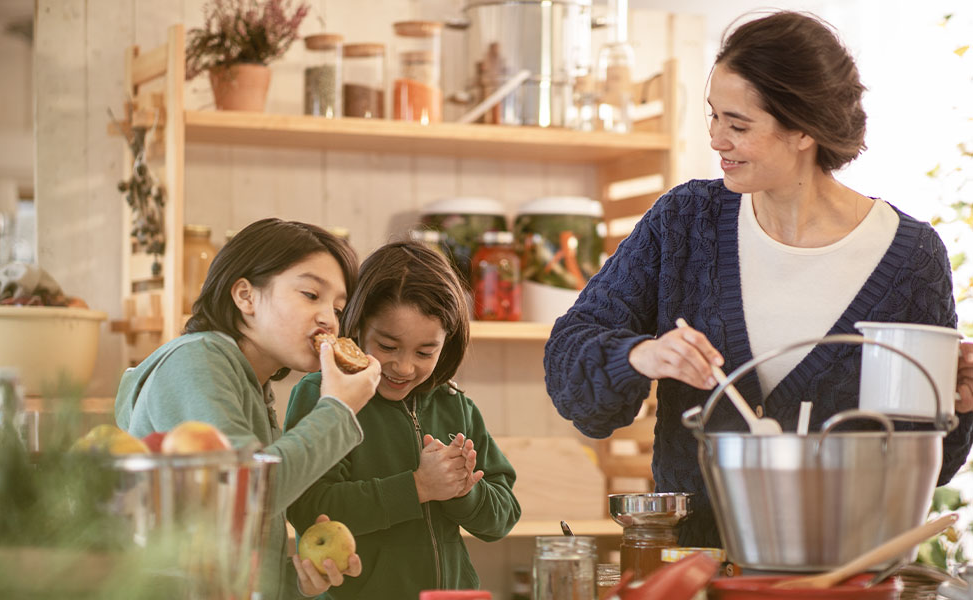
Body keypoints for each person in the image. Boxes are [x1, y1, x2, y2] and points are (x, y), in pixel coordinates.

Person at [543, 10, 973, 548]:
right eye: (713, 116)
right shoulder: (684, 222)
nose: (716, 139)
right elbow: (570, 366)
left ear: (802, 129)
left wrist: (959, 405)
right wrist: (641, 356)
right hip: (693, 570)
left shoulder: (910, 256)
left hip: (838, 578)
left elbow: (924, 464)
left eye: (738, 125)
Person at [114, 218, 382, 599]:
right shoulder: (196, 363)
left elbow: (232, 532)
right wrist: (338, 407)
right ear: (245, 296)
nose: (329, 319)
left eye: (338, 308)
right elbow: (246, 492)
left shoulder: (253, 384)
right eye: (310, 294)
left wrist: (296, 581)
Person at [284, 241, 521, 598]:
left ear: (447, 343)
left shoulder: (455, 404)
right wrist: (419, 487)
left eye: (426, 351)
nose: (405, 367)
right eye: (388, 346)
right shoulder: (323, 394)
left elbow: (502, 519)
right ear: (359, 325)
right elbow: (308, 508)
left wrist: (460, 490)